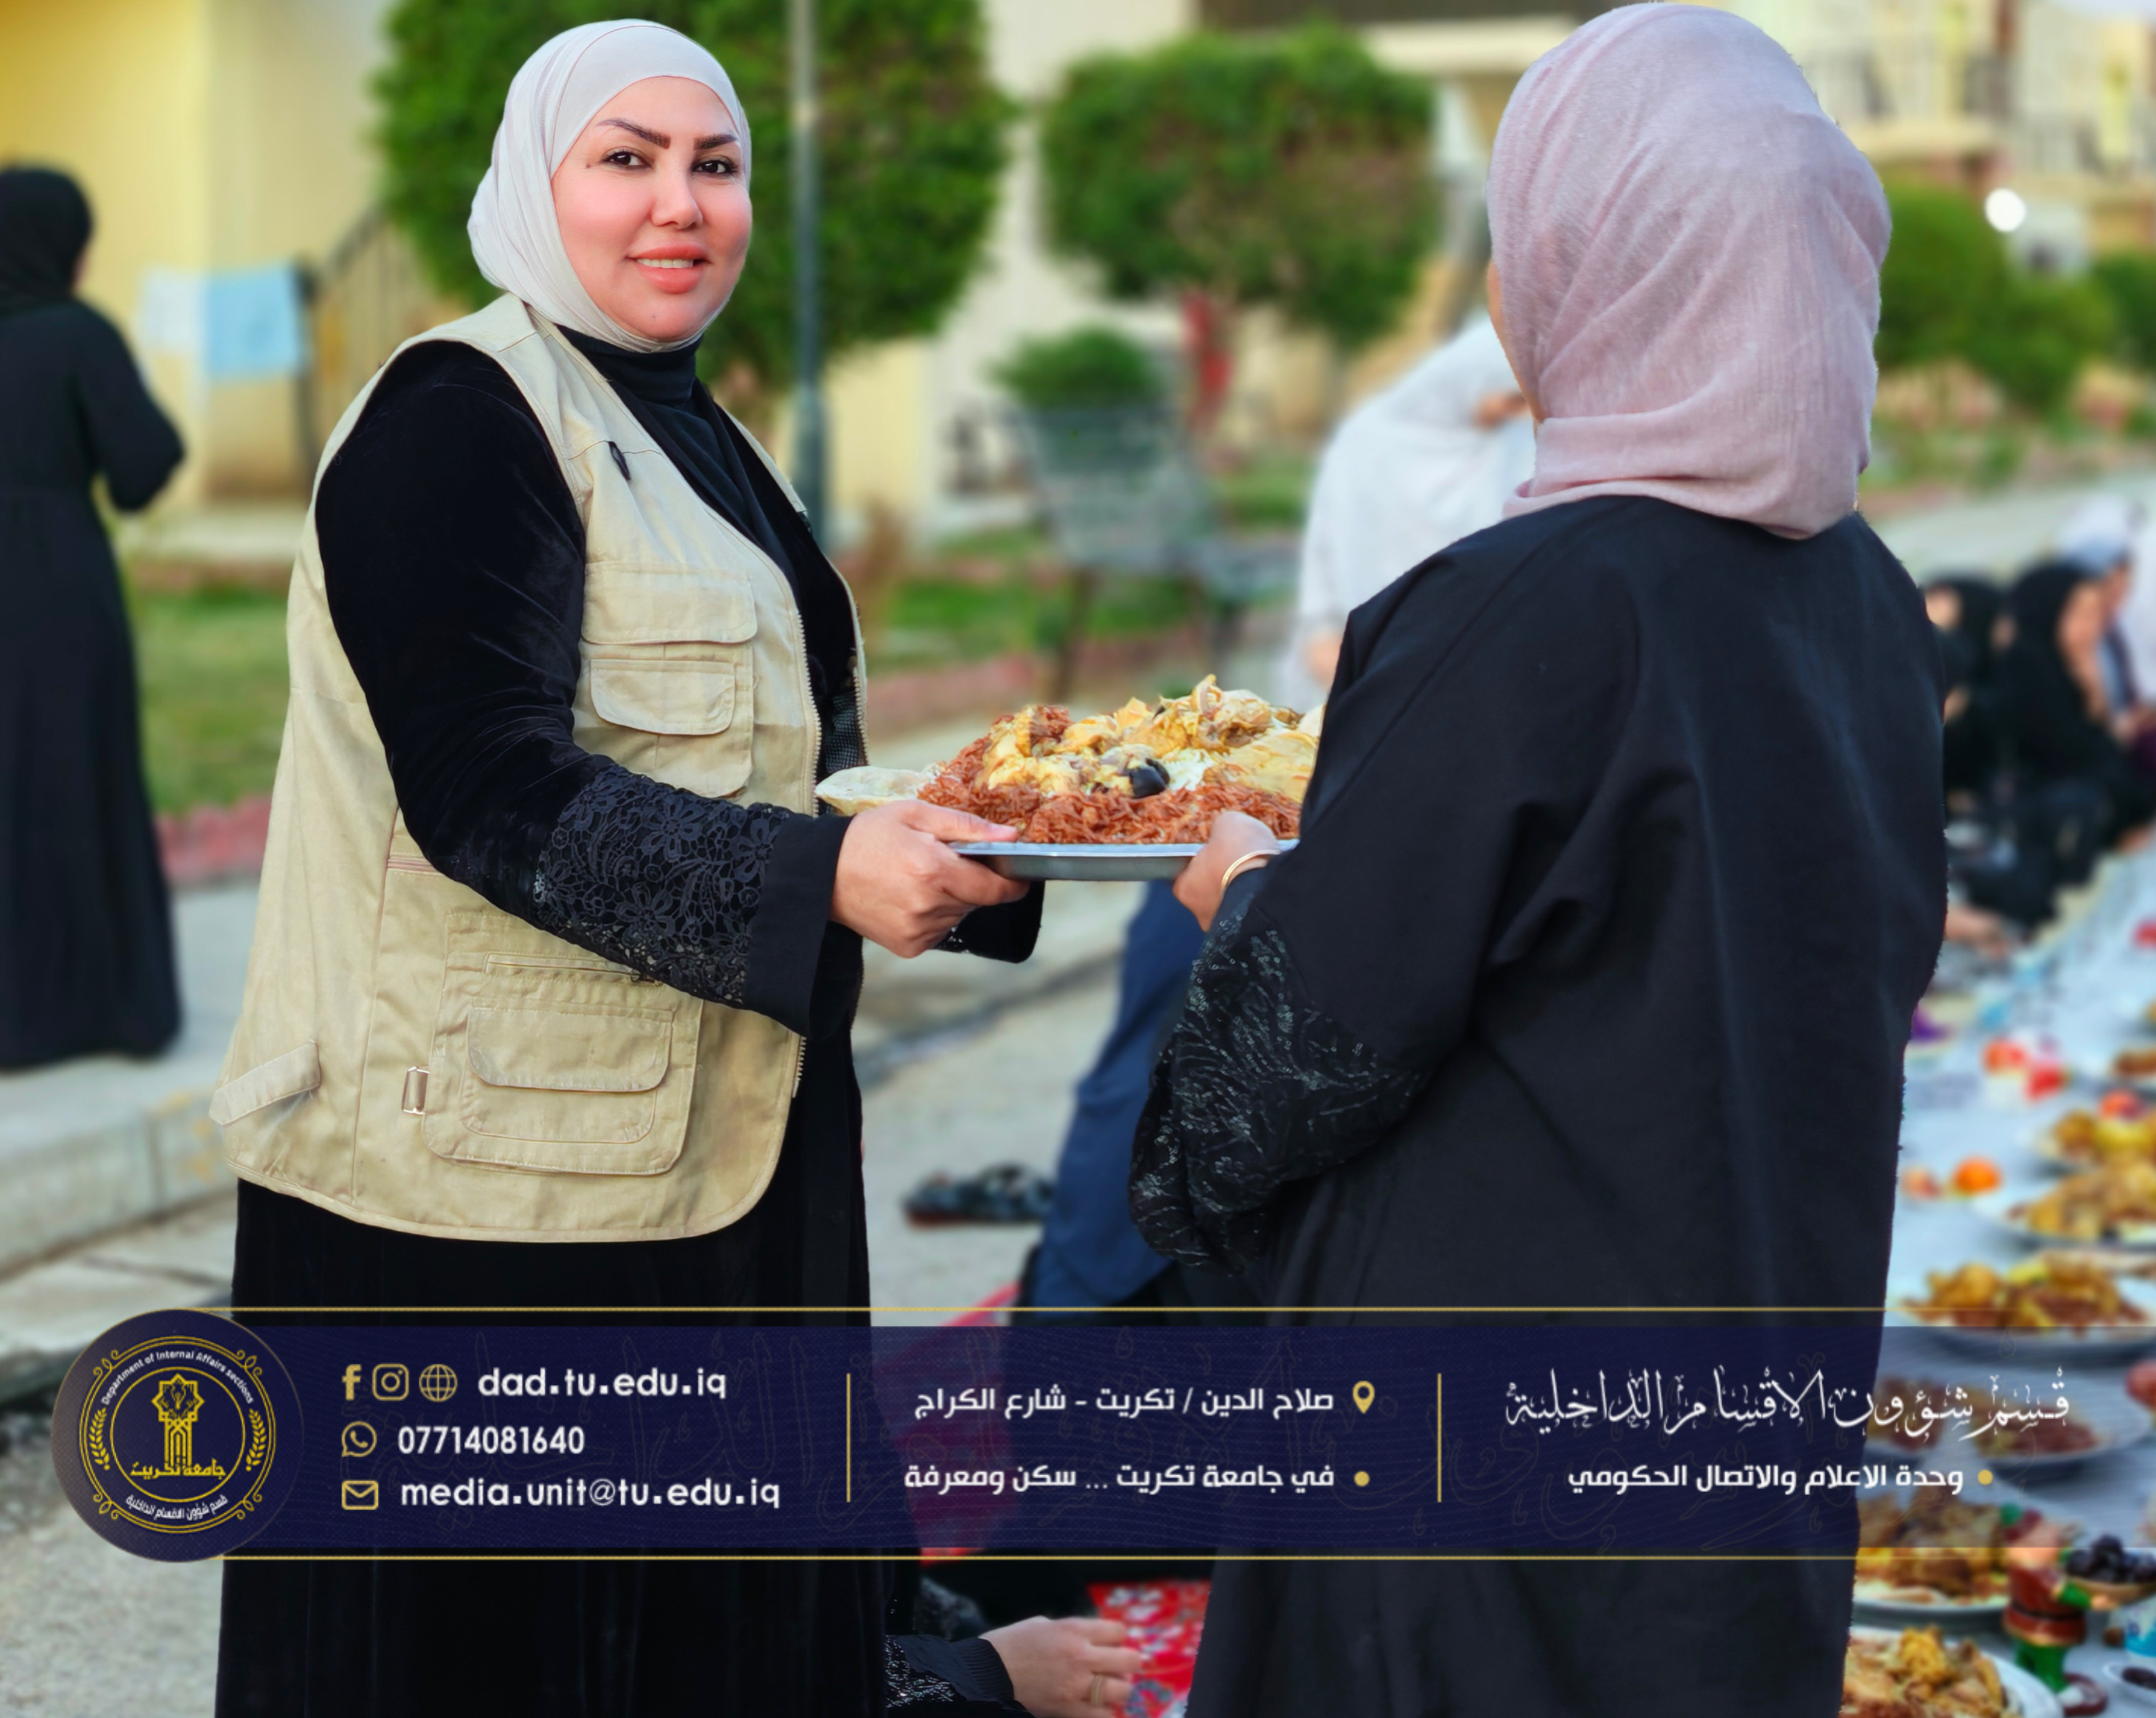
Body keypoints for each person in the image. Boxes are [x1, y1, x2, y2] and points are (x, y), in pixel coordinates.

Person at [208, 22, 1137, 1716]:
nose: (678, 205)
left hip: (708, 1150)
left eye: (714, 166)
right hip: (487, 1202)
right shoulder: (458, 417)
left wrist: (968, 848)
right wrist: (817, 887)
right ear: (534, 182)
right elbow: (487, 791)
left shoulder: (695, 431)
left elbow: (779, 772)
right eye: (624, 161)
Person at [1132, 9, 1943, 1716]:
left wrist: (1243, 894)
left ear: (1596, 267)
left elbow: (1280, 1076)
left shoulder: (1518, 610)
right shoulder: (1867, 605)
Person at [0, 166, 184, 1069]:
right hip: (53, 582)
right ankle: (95, 1010)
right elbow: (143, 466)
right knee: (75, 769)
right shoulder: (76, 333)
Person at [1278, 314, 1532, 710]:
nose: (1516, 413)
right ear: (1465, 377)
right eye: (1511, 399)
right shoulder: (1369, 439)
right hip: (1366, 649)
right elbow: (1325, 558)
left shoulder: (1509, 449)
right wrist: (1325, 633)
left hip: (1472, 654)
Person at [2000, 561, 2155, 845]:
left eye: (2096, 614)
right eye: (2080, 614)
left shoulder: (2066, 661)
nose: (2092, 627)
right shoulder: (2024, 669)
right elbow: (2075, 755)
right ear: (2049, 611)